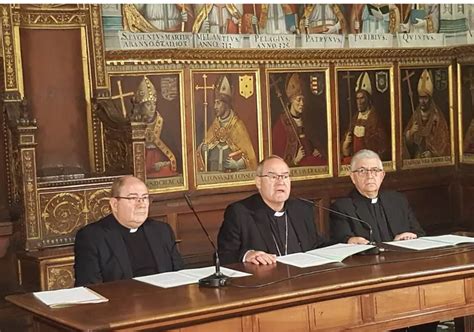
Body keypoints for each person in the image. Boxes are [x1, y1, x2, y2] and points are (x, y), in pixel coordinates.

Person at [217, 155, 328, 265]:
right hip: (264, 281)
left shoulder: (302, 209)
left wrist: (344, 243)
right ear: (258, 182)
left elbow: (317, 245)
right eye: (273, 177)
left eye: (285, 176)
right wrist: (247, 255)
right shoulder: (240, 212)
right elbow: (223, 255)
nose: (281, 182)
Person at [74, 176, 183, 286]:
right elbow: (90, 288)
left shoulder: (161, 231)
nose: (141, 204)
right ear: (115, 204)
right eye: (133, 198)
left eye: (145, 198)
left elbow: (180, 276)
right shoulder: (92, 237)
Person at [330, 149, 425, 245]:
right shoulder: (342, 208)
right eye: (362, 171)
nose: (370, 176)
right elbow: (341, 240)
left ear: (382, 175)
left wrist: (410, 236)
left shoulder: (398, 200)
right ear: (352, 177)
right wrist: (350, 241)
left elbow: (419, 233)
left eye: (375, 170)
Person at [196, 75, 257, 172]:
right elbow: (202, 151)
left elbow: (250, 158)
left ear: (226, 103)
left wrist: (237, 164)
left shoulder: (237, 126)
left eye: (218, 103)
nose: (215, 106)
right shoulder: (215, 125)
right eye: (215, 103)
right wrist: (204, 149)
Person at [272, 73, 327, 167]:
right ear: (291, 100)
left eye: (304, 100)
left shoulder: (306, 120)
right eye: (299, 100)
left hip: (310, 162)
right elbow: (280, 159)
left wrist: (317, 150)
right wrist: (295, 160)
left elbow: (312, 142)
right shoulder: (281, 125)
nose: (302, 103)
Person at [133, 76, 177, 178]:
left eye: (154, 104)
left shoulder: (162, 124)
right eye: (148, 104)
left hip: (158, 162)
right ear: (141, 106)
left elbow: (173, 154)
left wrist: (165, 163)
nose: (152, 108)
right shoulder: (133, 125)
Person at [341, 72, 390, 163]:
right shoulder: (355, 119)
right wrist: (346, 144)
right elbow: (346, 151)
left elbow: (383, 148)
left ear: (368, 99)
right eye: (357, 98)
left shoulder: (375, 119)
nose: (359, 102)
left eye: (362, 98)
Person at [404, 69, 450, 159]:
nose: (423, 101)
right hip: (417, 159)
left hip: (433, 161)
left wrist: (432, 153)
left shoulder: (437, 116)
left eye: (425, 98)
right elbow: (407, 144)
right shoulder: (416, 115)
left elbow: (444, 143)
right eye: (420, 98)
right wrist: (410, 133)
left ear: (430, 99)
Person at [122, 4, 194, 33]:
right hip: (151, 30)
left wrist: (186, 16)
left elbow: (187, 10)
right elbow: (135, 10)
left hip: (176, 30)